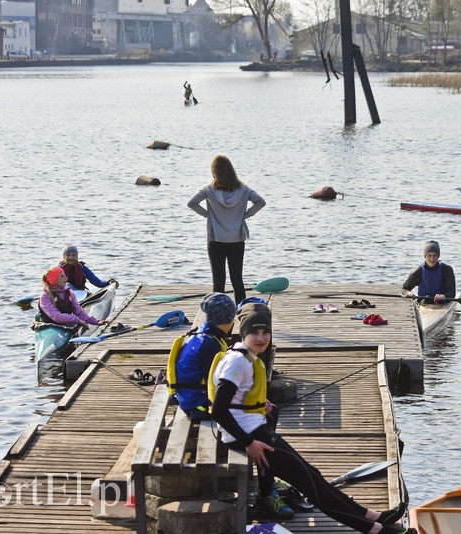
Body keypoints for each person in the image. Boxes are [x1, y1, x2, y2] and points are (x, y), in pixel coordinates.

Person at [209, 303, 414, 534]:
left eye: (265, 332)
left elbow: (236, 399)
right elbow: (218, 410)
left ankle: (370, 516)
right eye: (254, 333)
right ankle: (374, 529)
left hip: (255, 431)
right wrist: (249, 443)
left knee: (312, 475)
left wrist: (258, 406)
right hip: (249, 437)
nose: (261, 337)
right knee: (310, 485)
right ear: (243, 333)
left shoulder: (245, 356)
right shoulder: (238, 362)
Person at [187, 155, 266, 305]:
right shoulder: (243, 189)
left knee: (218, 281)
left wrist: (208, 215)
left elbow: (191, 203)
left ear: (214, 172)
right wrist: (245, 215)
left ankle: (218, 314)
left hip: (216, 239)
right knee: (237, 280)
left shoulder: (209, 190)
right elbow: (260, 202)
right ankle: (242, 311)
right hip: (236, 238)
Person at [170, 293, 236, 422]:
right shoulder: (209, 345)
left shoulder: (202, 334)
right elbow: (215, 381)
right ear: (229, 318)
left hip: (188, 398)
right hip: (198, 404)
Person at [38, 266, 108, 327]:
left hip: (64, 326)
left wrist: (96, 322)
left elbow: (80, 313)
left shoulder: (70, 293)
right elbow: (56, 317)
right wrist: (76, 320)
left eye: (65, 275)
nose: (66, 278)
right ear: (54, 280)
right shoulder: (45, 296)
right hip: (49, 327)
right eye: (62, 276)